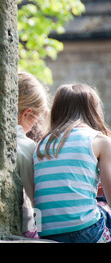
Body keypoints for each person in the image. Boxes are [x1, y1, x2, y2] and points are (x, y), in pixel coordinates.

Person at [33, 83, 111, 243]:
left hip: (46, 231)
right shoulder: (99, 141)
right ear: (93, 111)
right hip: (86, 231)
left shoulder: (42, 144)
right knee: (103, 206)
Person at [16, 71, 49, 239]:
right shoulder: (27, 147)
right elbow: (34, 201)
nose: (36, 124)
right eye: (36, 119)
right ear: (27, 113)